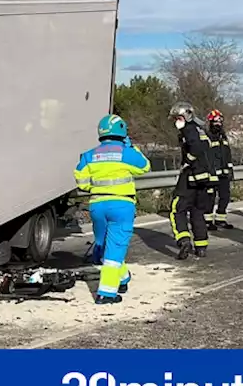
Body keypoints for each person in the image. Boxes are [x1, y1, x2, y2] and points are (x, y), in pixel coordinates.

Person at [73, 114, 152, 304]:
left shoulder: (89, 155)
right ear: (122, 131)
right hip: (121, 205)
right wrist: (132, 147)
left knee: (104, 244)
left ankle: (123, 278)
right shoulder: (126, 152)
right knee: (115, 248)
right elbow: (145, 167)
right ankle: (106, 293)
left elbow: (81, 182)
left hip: (98, 205)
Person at [169, 102, 215, 260]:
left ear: (186, 116)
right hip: (203, 178)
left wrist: (188, 161)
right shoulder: (200, 129)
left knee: (177, 208)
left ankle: (184, 240)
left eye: (178, 117)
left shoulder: (188, 129)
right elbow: (208, 147)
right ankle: (201, 246)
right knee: (197, 211)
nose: (176, 121)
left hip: (190, 177)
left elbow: (195, 148)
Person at [206, 109, 235, 231]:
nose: (218, 123)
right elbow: (206, 155)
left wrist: (230, 170)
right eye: (216, 121)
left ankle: (220, 219)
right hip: (212, 174)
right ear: (211, 122)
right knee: (209, 197)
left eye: (220, 121)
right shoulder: (207, 137)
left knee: (225, 196)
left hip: (224, 174)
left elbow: (227, 155)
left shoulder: (223, 137)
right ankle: (207, 221)